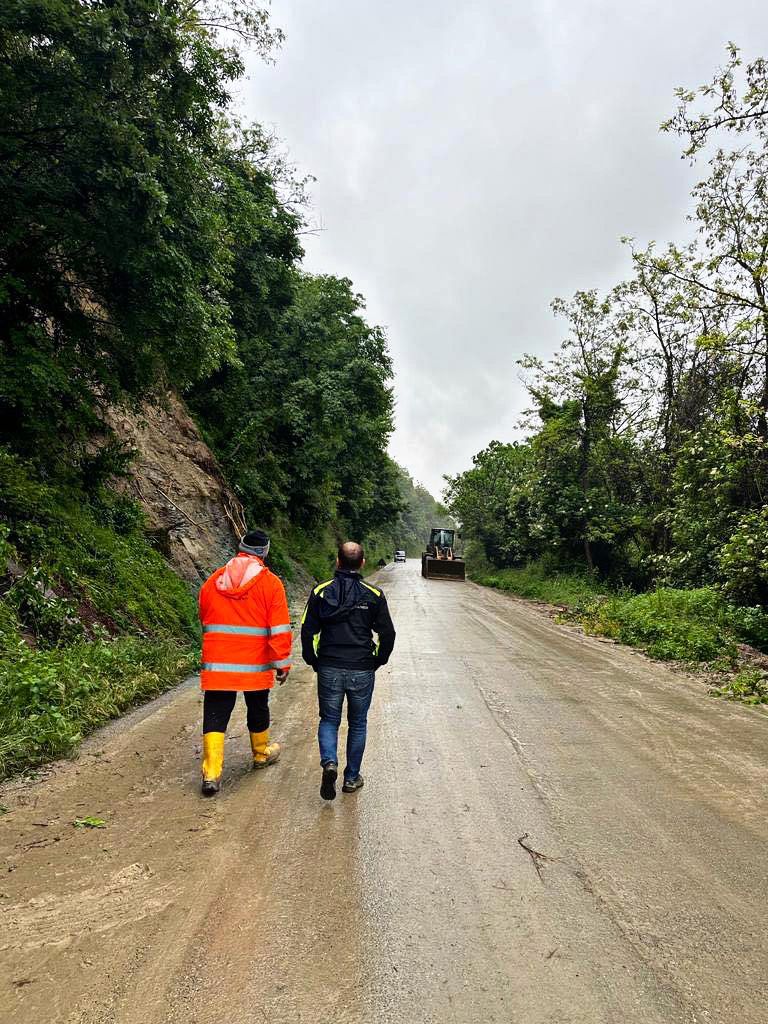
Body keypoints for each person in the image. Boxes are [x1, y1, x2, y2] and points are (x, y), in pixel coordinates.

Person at [198, 529, 292, 796]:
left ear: (240, 548)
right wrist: (282, 663)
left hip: (219, 663)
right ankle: (261, 754)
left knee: (216, 712)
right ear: (264, 552)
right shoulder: (271, 584)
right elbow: (279, 629)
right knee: (258, 706)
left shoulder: (214, 581)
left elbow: (204, 616)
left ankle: (212, 773)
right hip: (255, 663)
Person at [301, 541, 396, 801]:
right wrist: (378, 660)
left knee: (329, 720)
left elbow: (307, 631)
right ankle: (352, 778)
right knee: (358, 723)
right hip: (362, 668)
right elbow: (388, 634)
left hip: (329, 666)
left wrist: (314, 661)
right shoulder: (373, 595)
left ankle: (329, 762)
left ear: (337, 561)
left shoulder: (321, 592)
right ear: (362, 563)